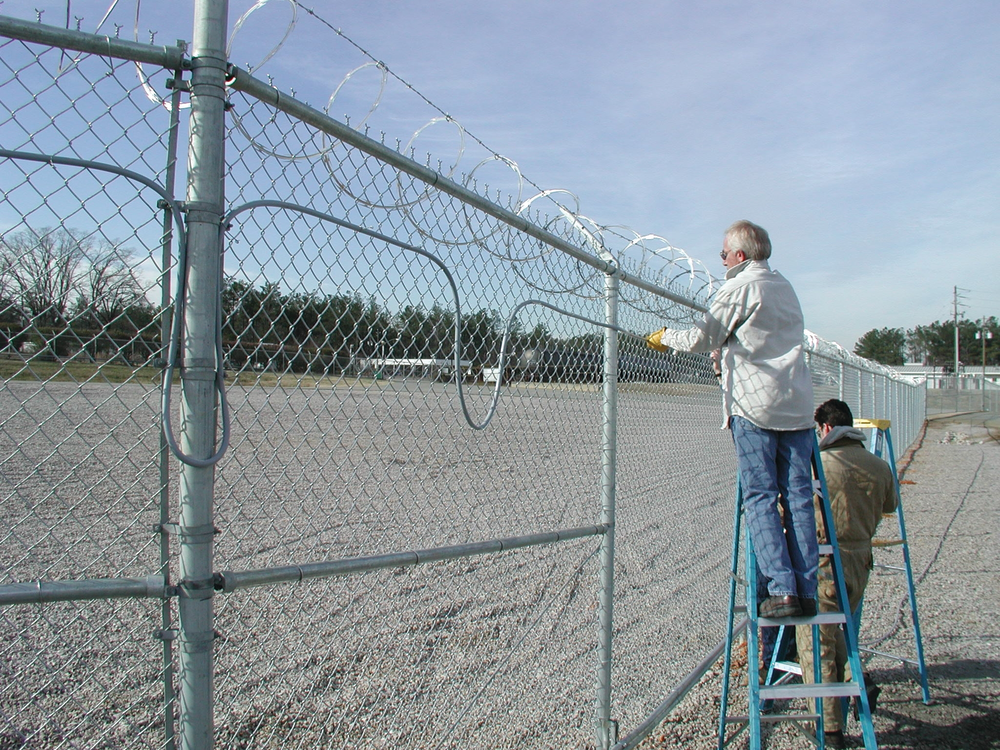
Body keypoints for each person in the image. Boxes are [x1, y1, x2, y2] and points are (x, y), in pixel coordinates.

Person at [648, 220, 818, 618]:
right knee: (798, 498)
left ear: (740, 256)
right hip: (796, 406)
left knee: (760, 496)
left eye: (724, 253)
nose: (721, 259)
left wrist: (664, 336)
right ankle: (806, 590)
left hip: (755, 407)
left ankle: (782, 590)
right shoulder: (784, 286)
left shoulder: (741, 286)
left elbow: (702, 336)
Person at [795, 399, 898, 748]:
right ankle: (857, 676)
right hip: (860, 560)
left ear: (825, 428)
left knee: (816, 642)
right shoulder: (879, 466)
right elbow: (890, 504)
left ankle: (830, 729)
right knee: (841, 630)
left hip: (824, 559)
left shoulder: (818, 466)